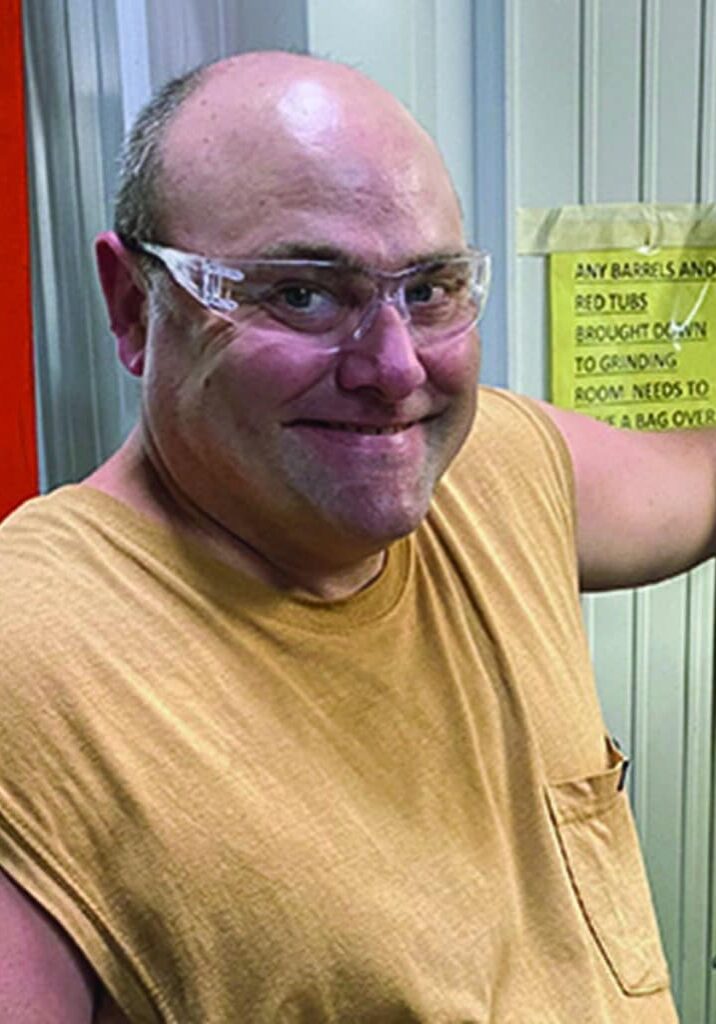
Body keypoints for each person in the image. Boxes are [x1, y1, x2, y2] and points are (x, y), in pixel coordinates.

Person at [0, 50, 712, 1023]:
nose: (391, 367)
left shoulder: (491, 469)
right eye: (300, 292)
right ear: (135, 305)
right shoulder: (32, 661)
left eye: (428, 289)